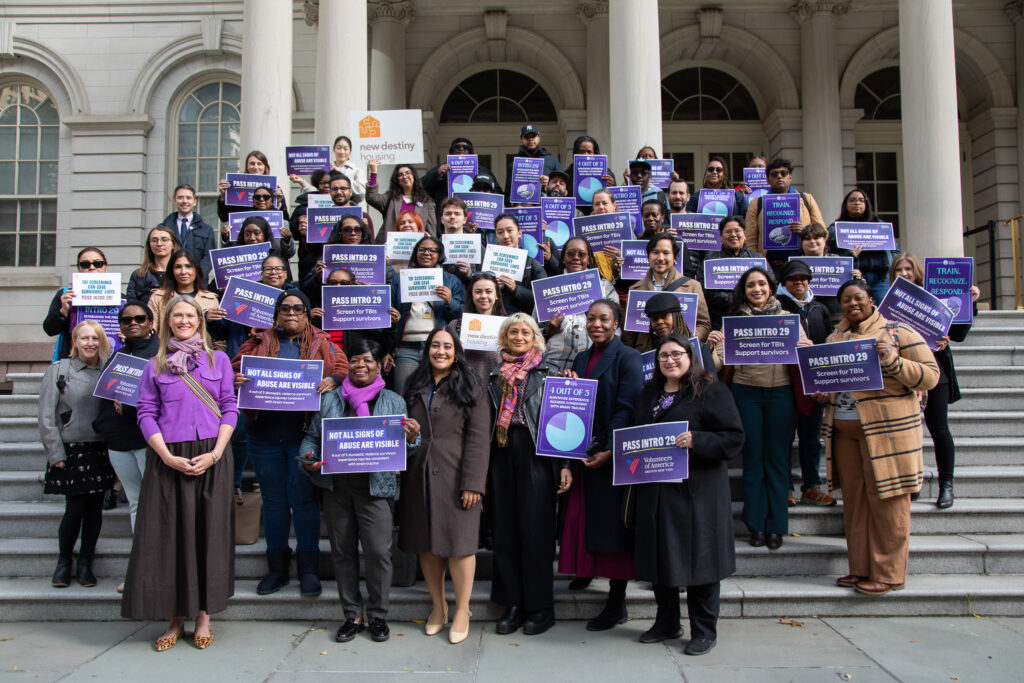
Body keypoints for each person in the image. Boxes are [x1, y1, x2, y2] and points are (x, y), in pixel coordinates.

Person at [122, 295, 238, 651]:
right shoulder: (154, 364)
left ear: (199, 321)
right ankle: (174, 616)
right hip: (168, 457)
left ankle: (203, 614)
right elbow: (145, 412)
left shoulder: (218, 360)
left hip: (210, 456)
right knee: (169, 537)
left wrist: (216, 454)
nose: (184, 321)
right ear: (167, 321)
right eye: (177, 316)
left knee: (207, 533)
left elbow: (230, 408)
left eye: (190, 315)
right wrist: (166, 457)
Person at [819, 279, 938, 595]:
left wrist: (893, 360)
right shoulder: (835, 336)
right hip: (845, 431)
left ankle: (888, 573)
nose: (852, 304)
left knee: (888, 501)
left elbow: (931, 375)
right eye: (846, 300)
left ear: (871, 299)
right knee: (855, 503)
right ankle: (860, 568)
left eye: (858, 298)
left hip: (887, 434)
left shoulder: (898, 332)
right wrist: (821, 389)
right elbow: (834, 380)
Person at [300, 339, 421, 644]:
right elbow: (312, 439)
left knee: (379, 553)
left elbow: (406, 448)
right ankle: (352, 615)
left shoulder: (393, 401)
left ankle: (378, 615)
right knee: (343, 552)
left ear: (379, 365)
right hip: (338, 487)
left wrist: (413, 438)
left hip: (375, 488)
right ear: (348, 365)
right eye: (355, 360)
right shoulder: (330, 399)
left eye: (368, 360)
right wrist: (310, 459)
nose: (361, 366)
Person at [631, 333, 744, 655]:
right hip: (656, 491)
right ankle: (667, 622)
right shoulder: (649, 393)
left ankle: (704, 630)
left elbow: (734, 439)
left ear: (690, 356)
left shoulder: (710, 391)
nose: (670, 360)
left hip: (699, 494)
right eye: (664, 356)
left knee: (701, 561)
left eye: (677, 354)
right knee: (660, 558)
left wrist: (698, 440)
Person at [233, 290, 347, 598]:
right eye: (285, 308)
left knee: (304, 503)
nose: (291, 313)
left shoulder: (323, 344)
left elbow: (344, 370)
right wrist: (236, 379)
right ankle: (277, 569)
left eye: (298, 308)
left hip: (303, 435)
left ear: (307, 313)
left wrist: (333, 381)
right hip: (264, 435)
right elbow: (231, 370)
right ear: (276, 314)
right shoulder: (257, 342)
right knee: (273, 502)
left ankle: (308, 570)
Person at [399, 328, 490, 644]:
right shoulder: (414, 383)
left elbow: (479, 439)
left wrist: (473, 483)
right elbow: (407, 431)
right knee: (427, 544)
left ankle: (463, 609)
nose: (440, 351)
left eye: (447, 346)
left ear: (457, 351)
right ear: (427, 350)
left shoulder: (471, 385)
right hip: (419, 474)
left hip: (457, 477)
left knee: (461, 546)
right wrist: (410, 435)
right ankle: (439, 607)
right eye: (435, 345)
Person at [709, 266, 810, 550]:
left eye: (762, 284)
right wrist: (712, 344)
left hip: (782, 396)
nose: (757, 289)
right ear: (744, 290)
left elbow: (804, 357)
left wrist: (807, 347)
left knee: (777, 462)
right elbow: (717, 363)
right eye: (751, 285)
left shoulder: (789, 319)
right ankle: (755, 525)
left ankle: (776, 526)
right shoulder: (734, 322)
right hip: (746, 394)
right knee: (753, 461)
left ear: (771, 287)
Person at [558, 300, 642, 631]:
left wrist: (609, 449)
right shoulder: (581, 357)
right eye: (591, 319)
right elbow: (576, 402)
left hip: (610, 455)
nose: (597, 324)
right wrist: (569, 385)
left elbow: (626, 407)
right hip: (582, 449)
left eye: (604, 319)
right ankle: (585, 568)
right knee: (582, 517)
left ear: (617, 322)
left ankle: (616, 602)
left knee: (612, 527)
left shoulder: (629, 357)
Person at [488, 314, 572, 636]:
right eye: (513, 331)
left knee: (536, 531)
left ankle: (540, 606)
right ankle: (512, 603)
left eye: (525, 331)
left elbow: (564, 421)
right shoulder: (495, 373)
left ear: (535, 336)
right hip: (502, 451)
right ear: (504, 337)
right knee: (506, 529)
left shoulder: (549, 372)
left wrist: (565, 465)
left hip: (538, 453)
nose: (518, 336)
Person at [889, 253, 979, 509]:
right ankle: (912, 484)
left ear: (917, 272)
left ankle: (946, 486)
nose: (904, 273)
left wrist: (970, 302)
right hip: (904, 372)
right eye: (899, 269)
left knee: (939, 429)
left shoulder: (937, 299)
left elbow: (959, 334)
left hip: (936, 371)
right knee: (908, 431)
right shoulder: (890, 301)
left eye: (908, 269)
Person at [91, 302, 161, 591]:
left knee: (154, 506)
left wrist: (134, 408)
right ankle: (140, 569)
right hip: (119, 442)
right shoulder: (117, 355)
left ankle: (159, 569)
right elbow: (106, 397)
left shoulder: (161, 353)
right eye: (126, 319)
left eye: (139, 318)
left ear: (151, 322)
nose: (133, 323)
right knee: (135, 504)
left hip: (148, 441)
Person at [39, 320, 113, 588]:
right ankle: (64, 562)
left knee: (95, 512)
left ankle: (85, 563)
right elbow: (46, 417)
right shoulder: (59, 370)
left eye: (95, 338)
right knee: (74, 510)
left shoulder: (108, 371)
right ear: (74, 341)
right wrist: (55, 452)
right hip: (71, 450)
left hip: (100, 450)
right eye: (84, 338)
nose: (90, 343)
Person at [776, 259, 836, 506]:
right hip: (786, 381)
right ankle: (786, 487)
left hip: (815, 382)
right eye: (793, 279)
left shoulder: (819, 308)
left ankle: (812, 485)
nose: (799, 283)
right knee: (784, 437)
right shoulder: (777, 307)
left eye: (803, 279)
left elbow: (832, 340)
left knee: (812, 438)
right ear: (784, 283)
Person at [390, 235, 465, 393]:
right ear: (415, 253)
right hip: (406, 348)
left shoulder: (451, 281)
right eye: (422, 250)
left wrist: (449, 301)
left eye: (433, 250)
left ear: (439, 255)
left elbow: (461, 314)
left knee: (437, 396)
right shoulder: (399, 279)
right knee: (403, 395)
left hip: (438, 348)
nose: (427, 253)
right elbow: (388, 312)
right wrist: (393, 319)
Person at [540, 236, 619, 372]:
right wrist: (548, 331)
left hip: (594, 365)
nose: (576, 257)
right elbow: (532, 332)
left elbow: (616, 329)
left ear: (588, 259)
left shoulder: (604, 288)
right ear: (563, 258)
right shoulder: (548, 288)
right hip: (554, 366)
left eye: (582, 254)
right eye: (571, 254)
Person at [621, 233, 712, 350]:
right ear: (648, 256)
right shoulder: (635, 289)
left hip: (680, 352)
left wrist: (687, 340)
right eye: (655, 252)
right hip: (646, 354)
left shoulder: (692, 286)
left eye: (666, 253)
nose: (660, 258)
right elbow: (629, 334)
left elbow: (704, 324)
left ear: (675, 258)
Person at [744, 158, 824, 275]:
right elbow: (751, 240)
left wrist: (805, 231)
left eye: (783, 173)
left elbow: (822, 232)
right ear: (768, 180)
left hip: (800, 264)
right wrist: (757, 266)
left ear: (790, 177)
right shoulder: (757, 203)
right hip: (770, 266)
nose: (779, 176)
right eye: (774, 174)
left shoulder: (806, 199)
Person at [828, 188, 894, 304]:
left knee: (884, 310)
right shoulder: (835, 229)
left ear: (866, 204)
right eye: (852, 200)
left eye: (861, 200)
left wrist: (891, 264)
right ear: (845, 205)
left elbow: (895, 250)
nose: (857, 203)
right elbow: (828, 255)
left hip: (880, 278)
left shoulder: (880, 226)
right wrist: (849, 255)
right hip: (852, 278)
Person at [43, 247, 110, 361]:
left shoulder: (119, 298)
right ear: (79, 268)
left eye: (98, 263)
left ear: (105, 267)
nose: (92, 267)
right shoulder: (66, 295)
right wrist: (63, 311)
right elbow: (50, 330)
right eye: (85, 264)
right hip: (73, 361)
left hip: (106, 359)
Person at [698, 215, 761, 330]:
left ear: (745, 234)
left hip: (755, 319)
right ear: (721, 237)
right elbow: (703, 291)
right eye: (728, 231)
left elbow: (771, 287)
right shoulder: (710, 260)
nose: (733, 235)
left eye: (737, 230)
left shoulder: (757, 259)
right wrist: (736, 300)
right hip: (718, 321)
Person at [423, 137, 503, 223]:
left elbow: (498, 194)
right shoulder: (441, 170)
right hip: (448, 219)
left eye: (466, 147)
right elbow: (421, 188)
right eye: (457, 147)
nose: (461, 149)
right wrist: (436, 174)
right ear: (451, 151)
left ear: (471, 151)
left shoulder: (482, 171)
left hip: (475, 219)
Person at [147, 250, 225, 337]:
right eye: (178, 267)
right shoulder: (158, 297)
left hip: (202, 349)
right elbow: (150, 332)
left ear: (196, 270)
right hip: (166, 349)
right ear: (171, 270)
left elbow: (218, 340)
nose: (183, 272)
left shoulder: (210, 299)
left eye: (188, 266)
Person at [447, 271, 506, 382]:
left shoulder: (507, 328)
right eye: (478, 292)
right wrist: (454, 352)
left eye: (489, 291)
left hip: (495, 392)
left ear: (497, 295)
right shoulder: (455, 326)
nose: (483, 296)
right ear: (471, 295)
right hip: (463, 390)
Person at [797, 222, 860, 321]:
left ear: (824, 240)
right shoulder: (795, 263)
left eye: (816, 238)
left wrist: (856, 278)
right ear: (802, 242)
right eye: (807, 239)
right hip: (806, 316)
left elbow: (852, 289)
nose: (812, 241)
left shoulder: (837, 260)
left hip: (835, 316)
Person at [159, 184, 218, 283]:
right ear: (174, 201)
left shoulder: (206, 230)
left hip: (198, 283)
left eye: (188, 198)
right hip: (169, 281)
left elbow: (209, 258)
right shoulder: (164, 228)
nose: (184, 201)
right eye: (180, 198)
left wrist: (195, 275)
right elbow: (159, 256)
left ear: (194, 202)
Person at [368, 162, 437, 241]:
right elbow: (371, 197)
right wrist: (373, 172)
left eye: (408, 173)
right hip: (390, 246)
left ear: (414, 176)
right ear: (397, 180)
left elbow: (432, 231)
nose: (404, 176)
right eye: (400, 174)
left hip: (416, 248)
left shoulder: (427, 203)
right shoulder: (390, 198)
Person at [492, 213, 545, 315]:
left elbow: (543, 299)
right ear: (496, 236)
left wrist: (516, 289)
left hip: (521, 322)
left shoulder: (532, 264)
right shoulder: (488, 262)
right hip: (495, 320)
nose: (506, 236)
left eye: (510, 230)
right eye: (500, 232)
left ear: (519, 233)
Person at [216, 150, 288, 226]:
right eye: (252, 164)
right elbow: (223, 217)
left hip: (267, 232)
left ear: (265, 167)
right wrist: (223, 197)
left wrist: (279, 203)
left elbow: (285, 219)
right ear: (247, 166)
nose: (256, 167)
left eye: (259, 164)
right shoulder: (235, 187)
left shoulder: (275, 189)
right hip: (242, 232)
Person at [505, 124, 564, 206]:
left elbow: (563, 189)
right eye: (527, 137)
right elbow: (507, 196)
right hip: (524, 212)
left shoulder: (552, 161)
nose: (530, 139)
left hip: (547, 210)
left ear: (539, 139)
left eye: (533, 136)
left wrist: (550, 182)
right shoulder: (513, 165)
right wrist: (515, 205)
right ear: (521, 140)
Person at [685, 156, 749, 220]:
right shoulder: (695, 198)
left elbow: (747, 220)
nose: (714, 172)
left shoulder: (738, 198)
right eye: (711, 169)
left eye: (719, 170)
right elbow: (687, 219)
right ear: (706, 174)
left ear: (724, 174)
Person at [235, 215, 296, 282]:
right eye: (247, 234)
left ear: (265, 235)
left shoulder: (277, 259)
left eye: (257, 233)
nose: (252, 238)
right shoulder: (235, 259)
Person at [127, 227, 180, 305]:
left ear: (173, 245)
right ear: (149, 245)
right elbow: (131, 306)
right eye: (154, 240)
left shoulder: (182, 273)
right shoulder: (139, 275)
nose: (159, 244)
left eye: (164, 240)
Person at [330, 135, 367, 202]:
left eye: (345, 149)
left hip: (350, 208)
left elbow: (361, 195)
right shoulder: (328, 169)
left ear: (350, 151)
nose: (342, 152)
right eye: (338, 148)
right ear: (333, 149)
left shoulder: (357, 171)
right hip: (328, 208)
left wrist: (340, 174)